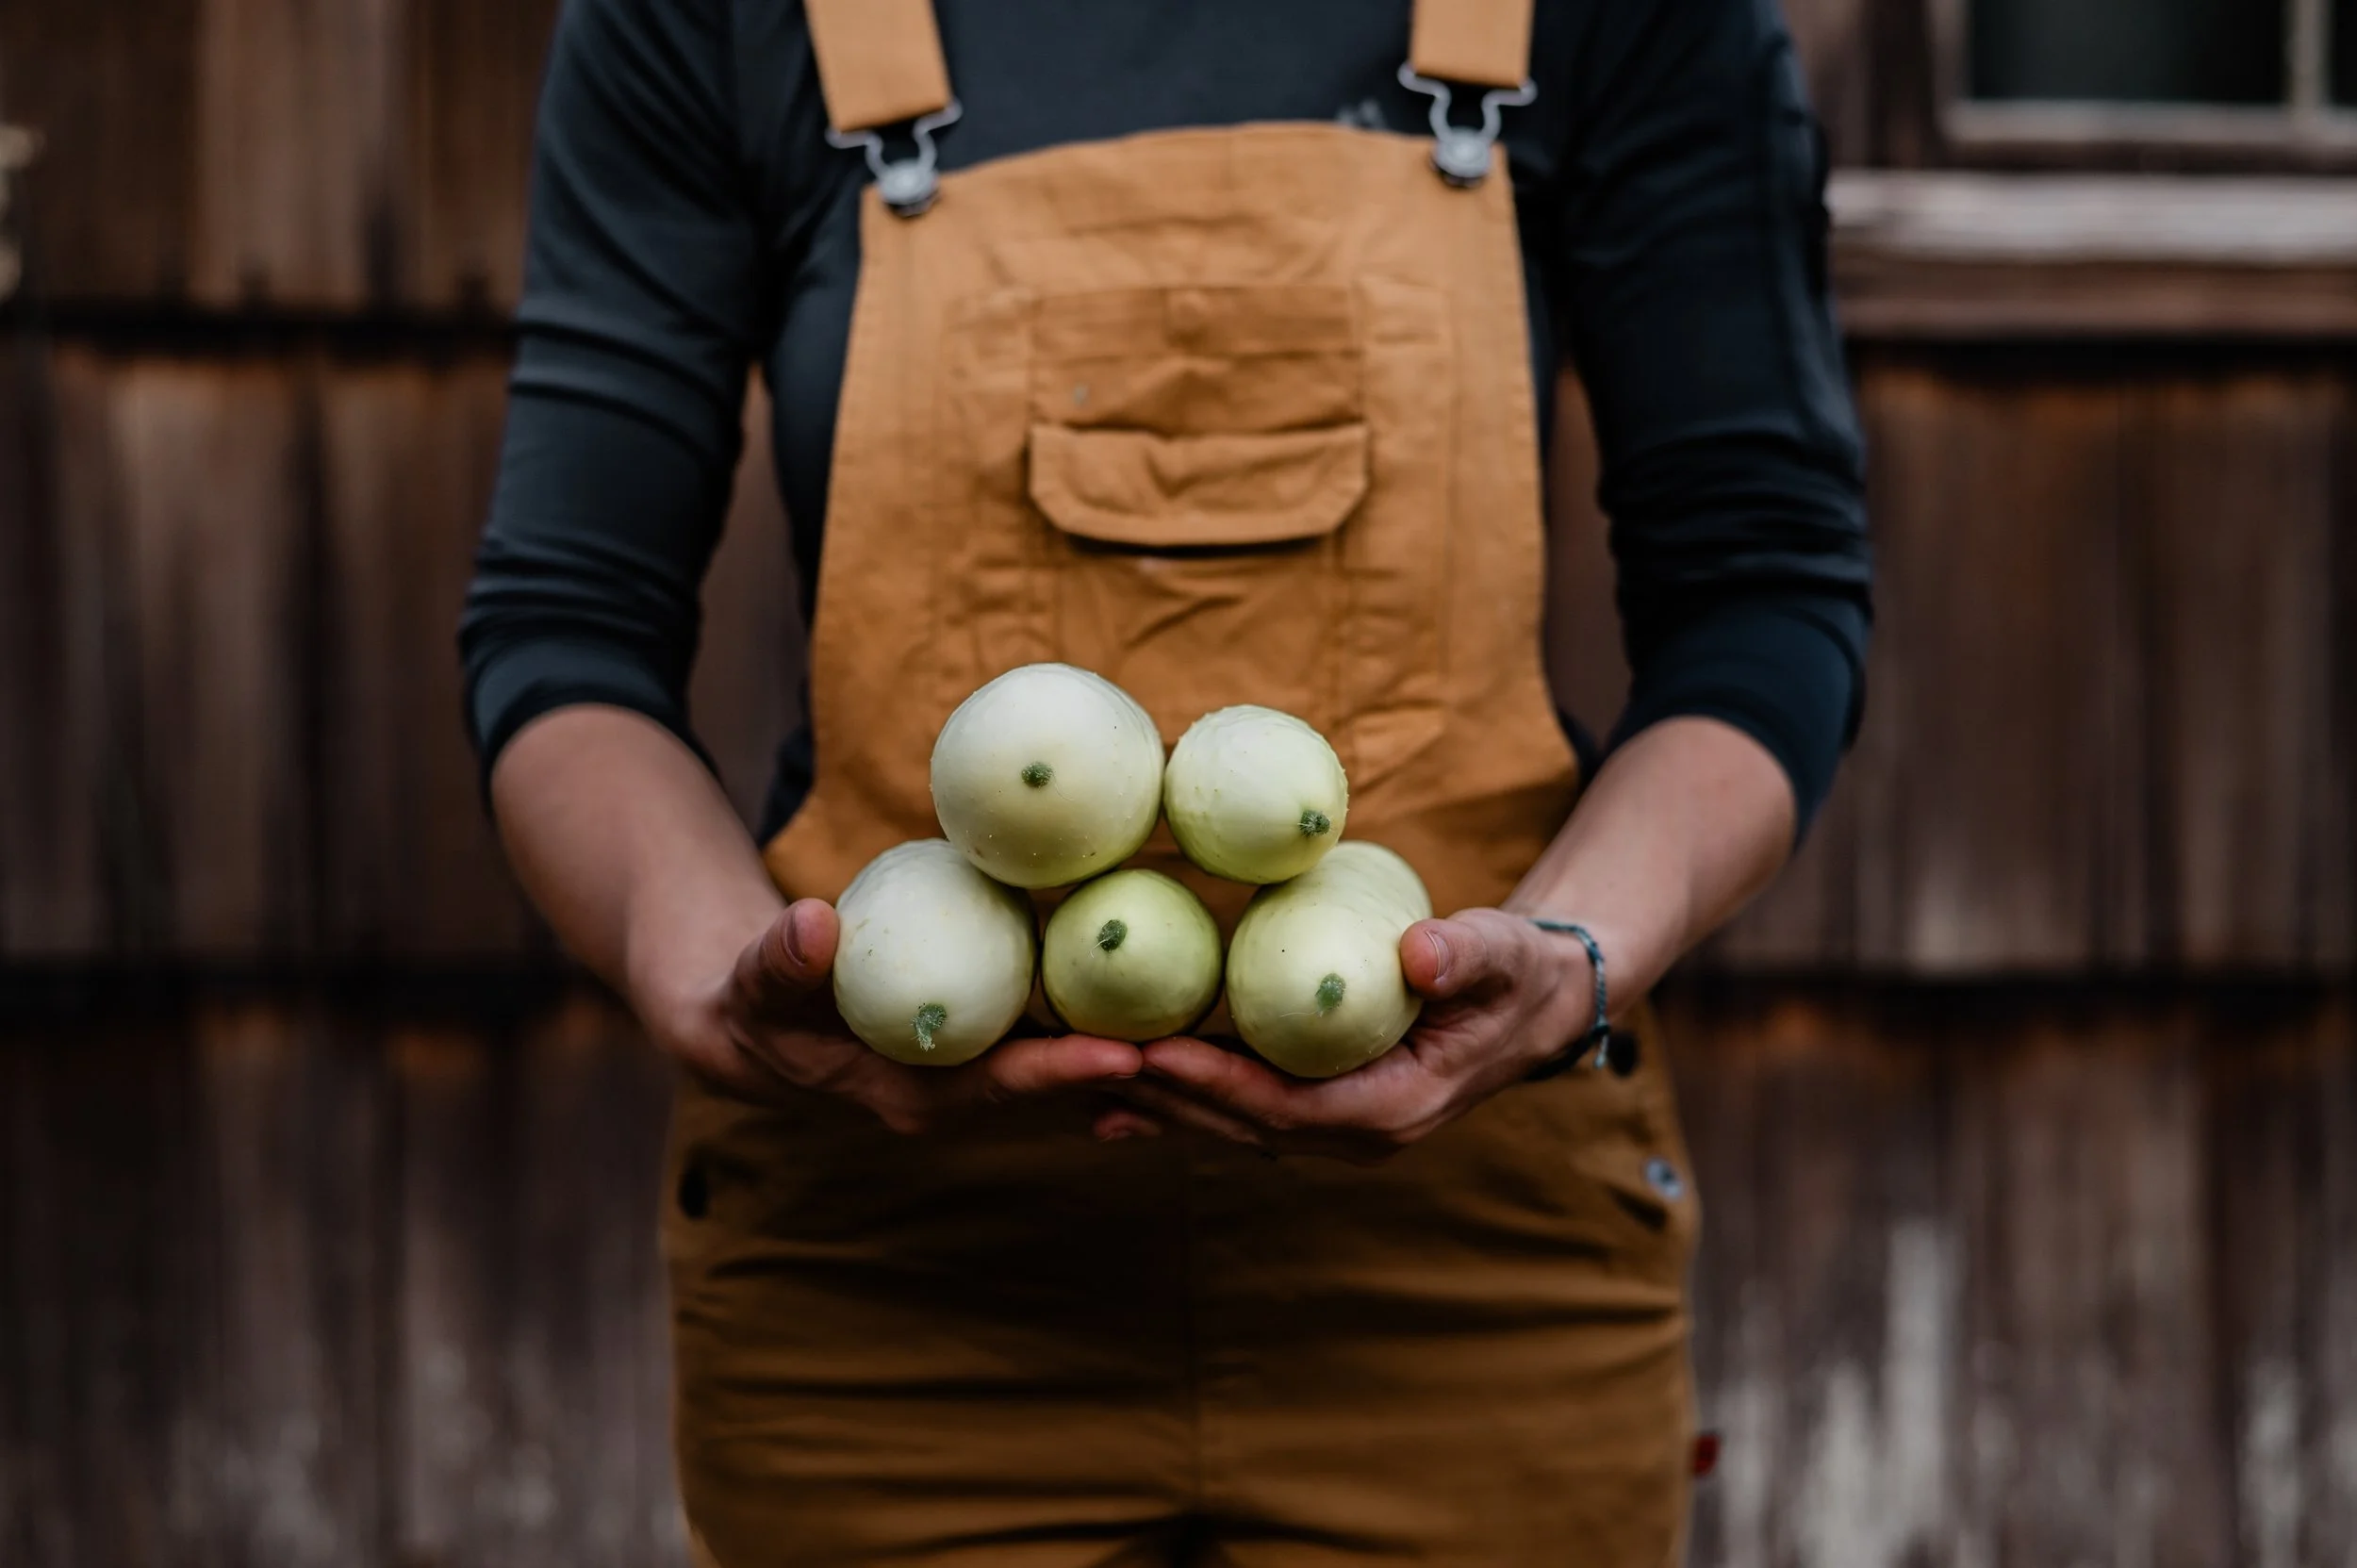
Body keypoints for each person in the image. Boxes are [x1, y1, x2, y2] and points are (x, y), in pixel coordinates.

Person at [461, 0, 1871, 1560]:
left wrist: (1574, 955)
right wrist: (707, 973)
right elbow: (567, 631)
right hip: (882, 1278)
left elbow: (1763, 593)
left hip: (1478, 1253)